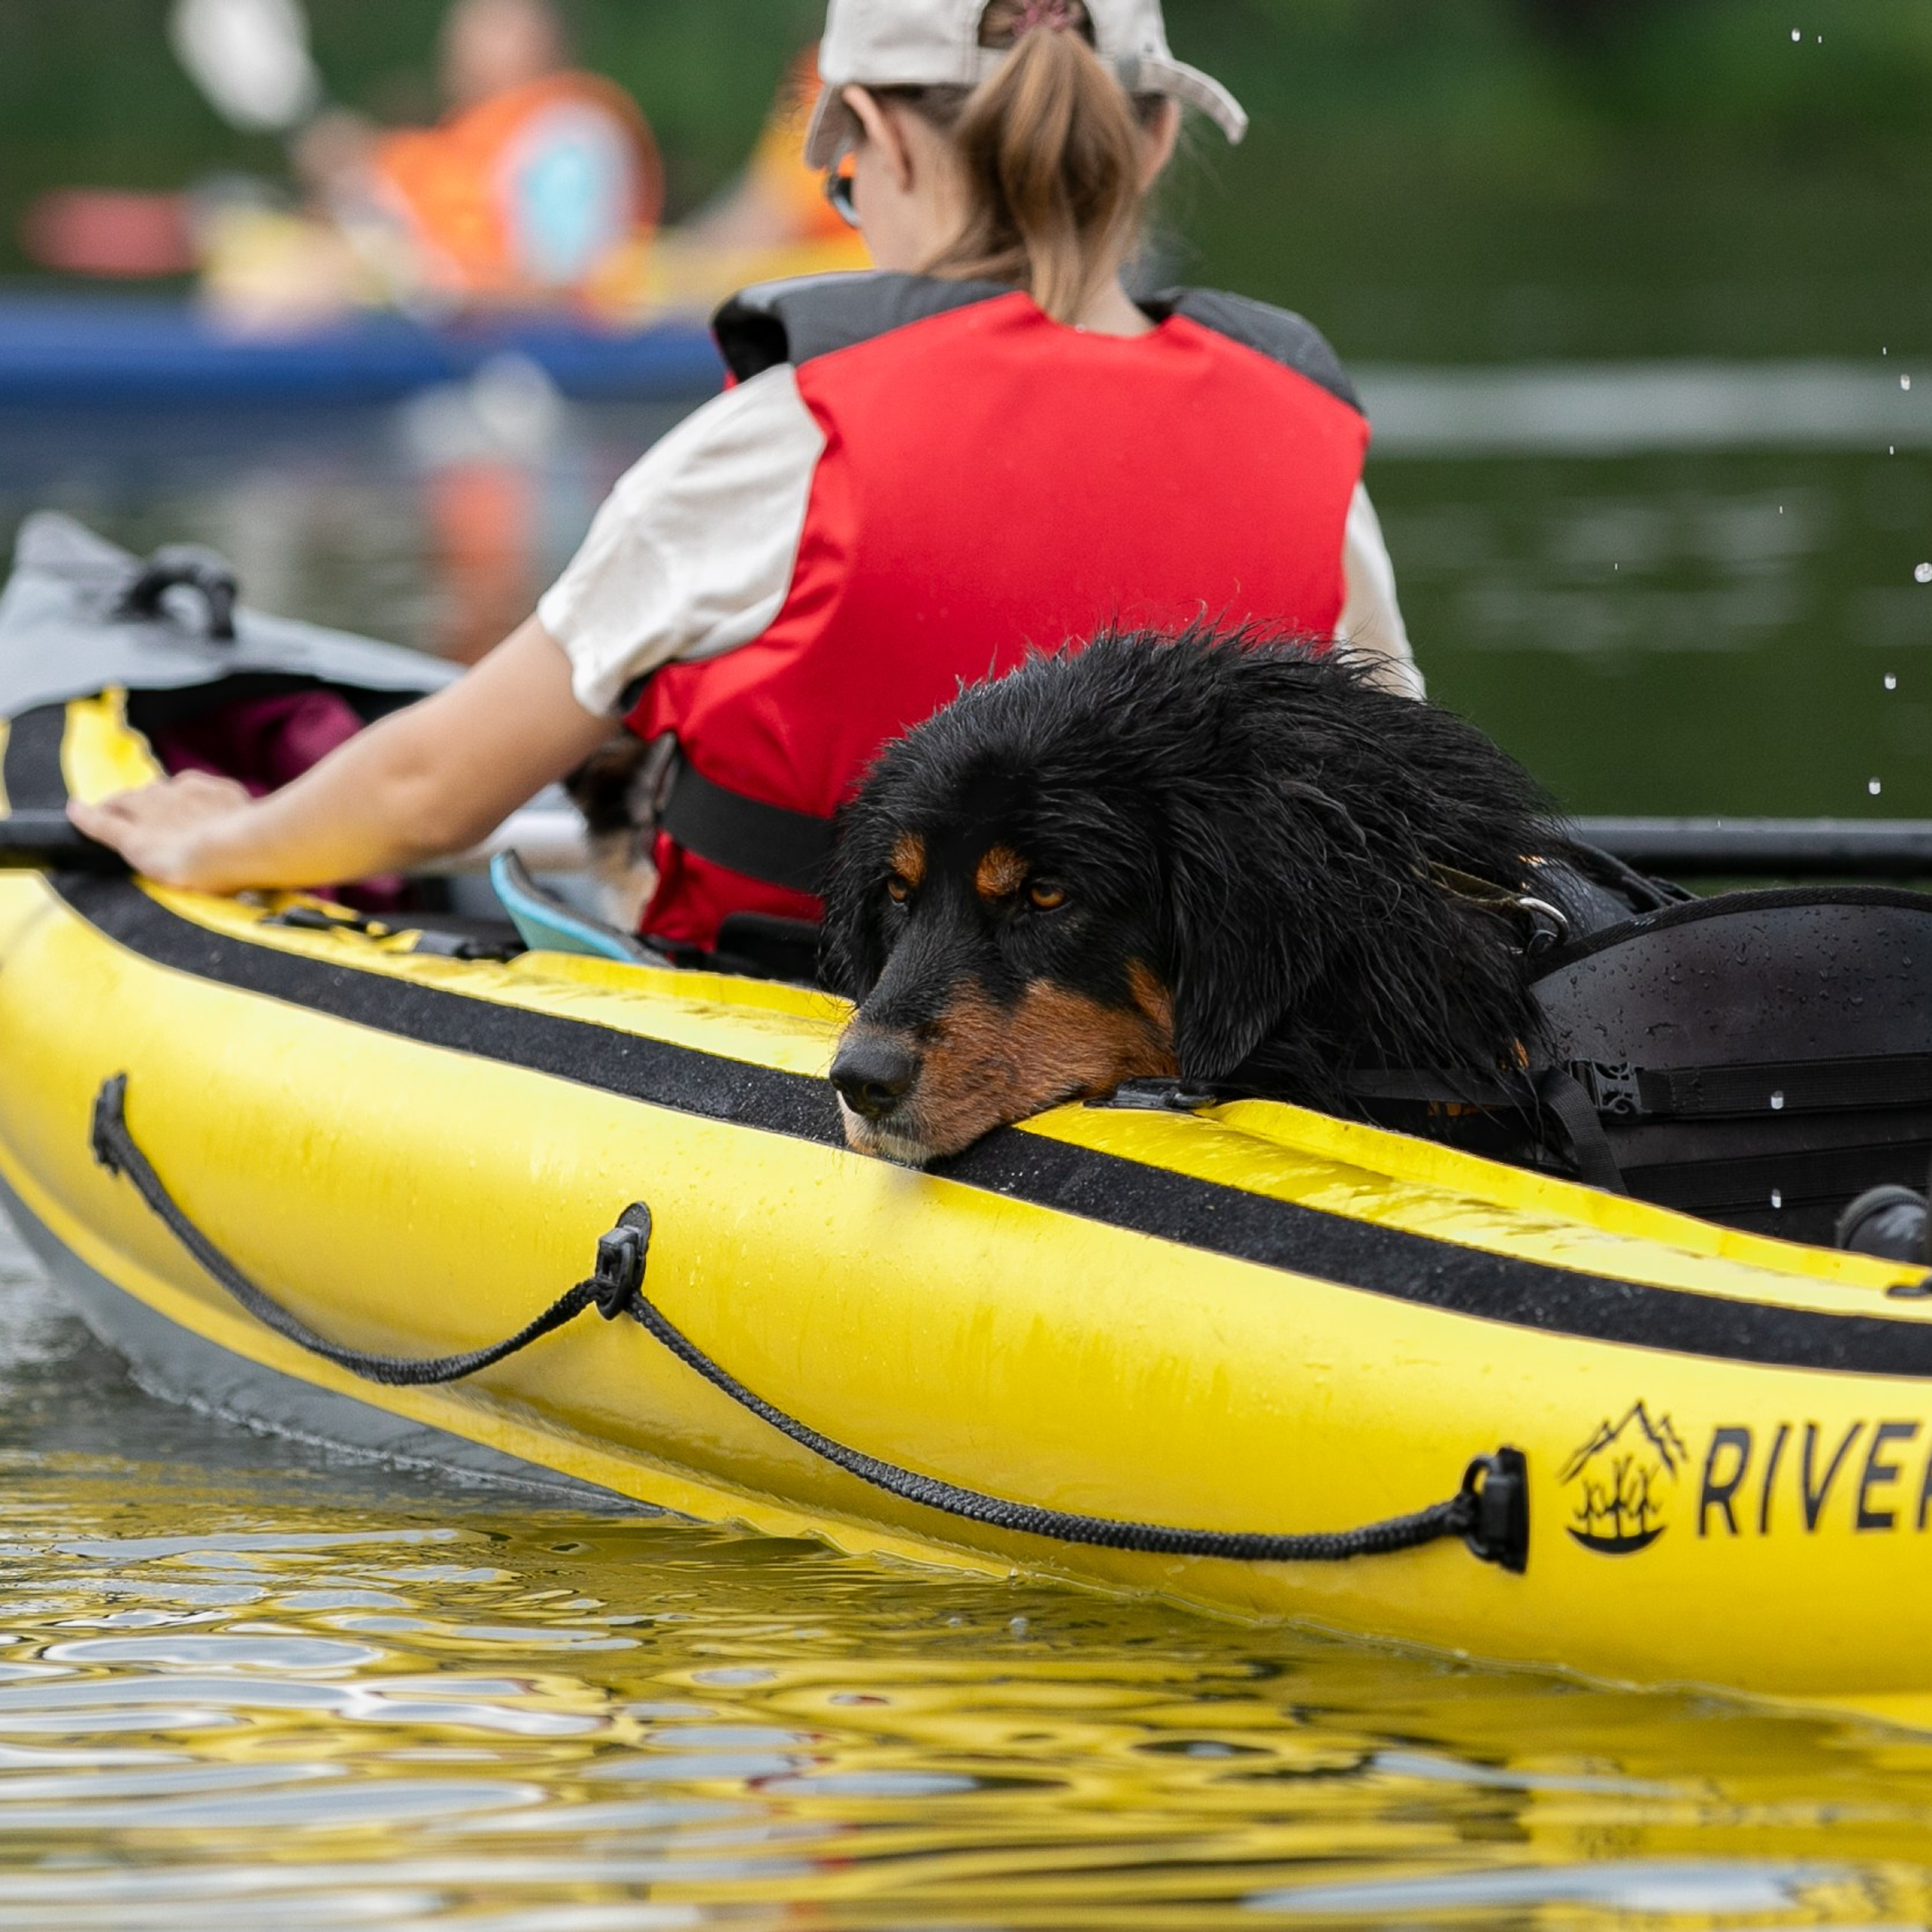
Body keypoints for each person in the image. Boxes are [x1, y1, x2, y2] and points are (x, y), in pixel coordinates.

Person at [74, 0, 1423, 962]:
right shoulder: (1305, 428)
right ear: (1148, 144)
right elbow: (1393, 802)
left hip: (803, 1011)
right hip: (1170, 1027)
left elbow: (436, 791)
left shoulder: (792, 427)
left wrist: (219, 842)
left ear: (875, 143)